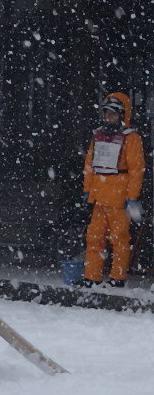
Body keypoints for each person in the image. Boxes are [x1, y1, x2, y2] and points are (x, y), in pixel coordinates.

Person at [81, 92, 145, 288]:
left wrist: (131, 196)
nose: (108, 118)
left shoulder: (131, 138)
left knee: (119, 240)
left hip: (118, 198)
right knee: (94, 239)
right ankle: (91, 277)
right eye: (106, 114)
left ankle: (117, 278)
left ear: (122, 115)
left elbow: (136, 169)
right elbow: (89, 164)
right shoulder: (97, 135)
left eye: (112, 115)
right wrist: (87, 189)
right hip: (99, 197)